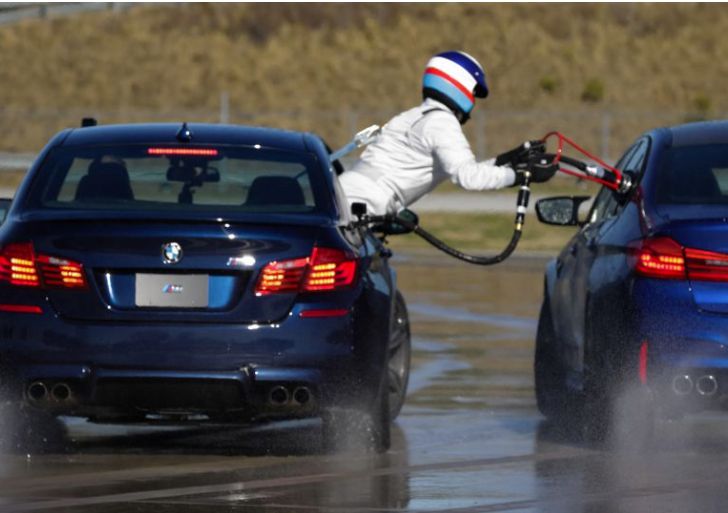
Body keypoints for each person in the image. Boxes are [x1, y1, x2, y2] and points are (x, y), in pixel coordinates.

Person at [339, 50, 557, 216]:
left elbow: (464, 169)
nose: (472, 101)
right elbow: (469, 178)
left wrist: (510, 158)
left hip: (345, 197)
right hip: (365, 205)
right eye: (473, 93)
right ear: (458, 85)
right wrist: (523, 176)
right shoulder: (441, 122)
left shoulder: (412, 116)